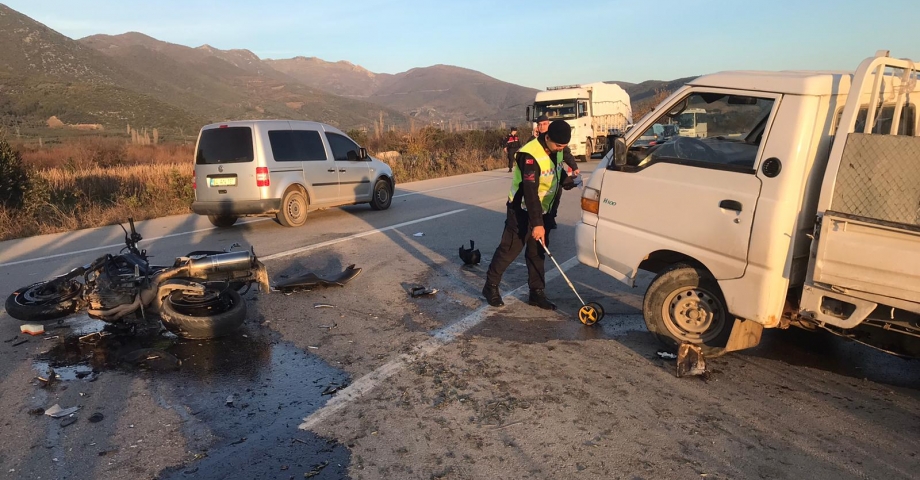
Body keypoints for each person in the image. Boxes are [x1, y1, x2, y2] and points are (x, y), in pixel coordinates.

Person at [482, 119, 574, 310]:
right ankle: (490, 286)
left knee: (538, 252)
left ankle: (536, 293)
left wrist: (567, 181)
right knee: (510, 250)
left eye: (564, 146)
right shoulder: (529, 155)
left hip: (543, 210)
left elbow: (556, 172)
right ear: (546, 137)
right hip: (522, 209)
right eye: (558, 145)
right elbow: (530, 191)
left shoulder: (556, 150)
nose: (561, 149)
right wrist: (537, 224)